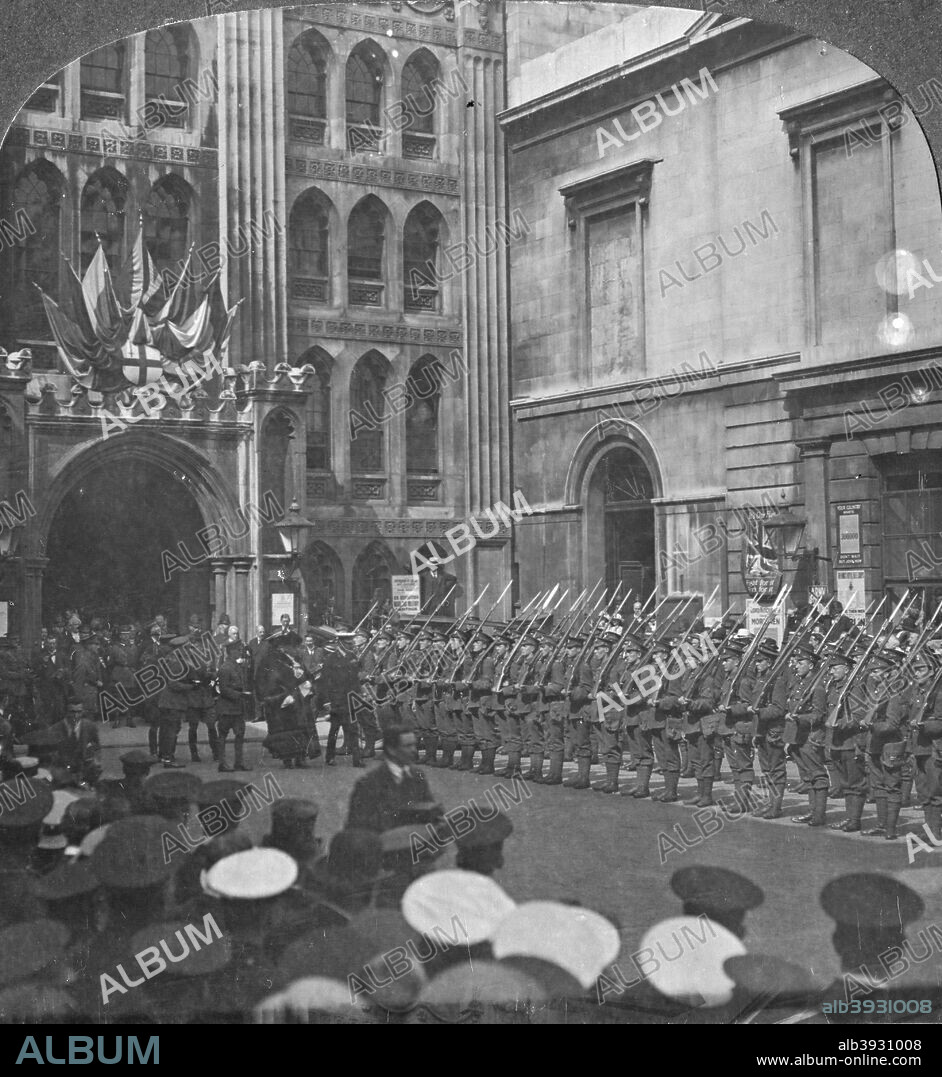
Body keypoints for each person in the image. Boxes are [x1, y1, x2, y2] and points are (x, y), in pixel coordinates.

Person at [346, 724, 440, 833]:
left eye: (414, 745)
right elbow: (357, 828)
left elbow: (429, 808)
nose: (414, 750)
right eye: (408, 746)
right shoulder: (368, 783)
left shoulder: (417, 775)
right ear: (391, 749)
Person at [318, 632, 361, 769]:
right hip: (336, 700)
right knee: (334, 730)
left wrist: (359, 696)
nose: (351, 644)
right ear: (340, 643)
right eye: (348, 643)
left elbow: (355, 680)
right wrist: (326, 702)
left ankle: (357, 759)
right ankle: (330, 757)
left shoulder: (352, 657)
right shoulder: (330, 659)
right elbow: (324, 682)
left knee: (353, 730)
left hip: (349, 700)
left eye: (351, 642)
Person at [215, 638, 253, 773]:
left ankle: (239, 762)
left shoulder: (236, 666)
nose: (240, 652)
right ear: (231, 652)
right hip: (226, 708)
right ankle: (222, 763)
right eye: (238, 650)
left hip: (237, 708)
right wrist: (241, 695)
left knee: (239, 735)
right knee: (223, 736)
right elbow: (224, 689)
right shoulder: (225, 668)